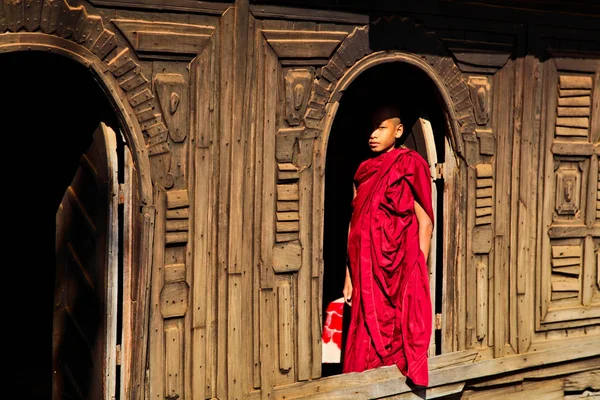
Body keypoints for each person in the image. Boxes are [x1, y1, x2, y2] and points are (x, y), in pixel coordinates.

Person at [341, 104, 434, 387]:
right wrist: (348, 276)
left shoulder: (410, 163)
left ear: (399, 130)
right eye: (371, 128)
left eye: (381, 128)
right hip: (364, 267)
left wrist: (418, 265)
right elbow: (354, 223)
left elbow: (425, 220)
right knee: (364, 330)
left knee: (395, 329)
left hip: (397, 265)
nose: (373, 134)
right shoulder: (363, 170)